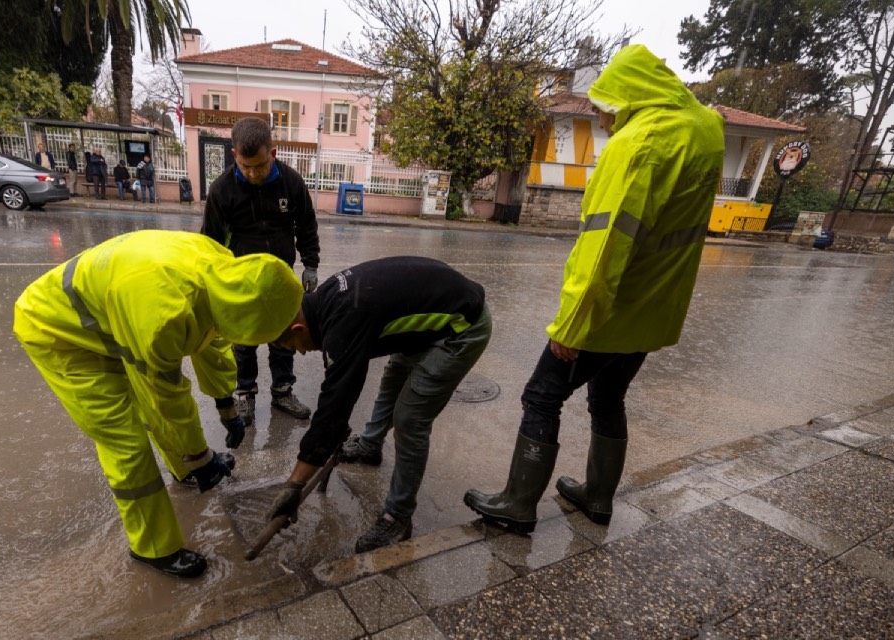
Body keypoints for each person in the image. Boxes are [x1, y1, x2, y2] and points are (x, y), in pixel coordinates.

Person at [464, 44, 725, 533]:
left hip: (608, 310)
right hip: (652, 312)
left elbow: (603, 247)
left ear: (634, 100)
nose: (605, 123)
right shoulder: (704, 131)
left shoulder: (638, 146)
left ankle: (519, 503)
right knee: (609, 399)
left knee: (541, 396)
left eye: (609, 110)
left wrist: (573, 323)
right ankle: (598, 497)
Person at [13, 230, 303, 578]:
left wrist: (226, 406)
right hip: (60, 332)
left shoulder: (229, 276)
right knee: (126, 440)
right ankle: (152, 547)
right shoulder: (163, 315)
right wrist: (200, 455)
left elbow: (212, 342)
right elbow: (164, 397)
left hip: (113, 314)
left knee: (159, 408)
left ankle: (185, 470)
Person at [265, 257, 492, 552]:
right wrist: (334, 422)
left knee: (410, 419)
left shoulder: (345, 320)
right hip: (431, 316)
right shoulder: (324, 302)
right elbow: (338, 382)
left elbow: (334, 406)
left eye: (294, 347)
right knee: (393, 378)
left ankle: (398, 516)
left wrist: (294, 485)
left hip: (462, 326)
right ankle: (370, 445)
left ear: (297, 327)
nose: (302, 353)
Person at [201, 117, 320, 425]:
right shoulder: (222, 190)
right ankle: (245, 394)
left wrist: (311, 264)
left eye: (260, 165)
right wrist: (210, 280)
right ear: (234, 156)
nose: (253, 173)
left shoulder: (291, 182)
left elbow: (306, 224)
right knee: (243, 339)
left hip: (281, 277)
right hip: (241, 278)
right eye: (246, 166)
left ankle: (282, 392)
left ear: (273, 153)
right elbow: (209, 241)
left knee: (284, 335)